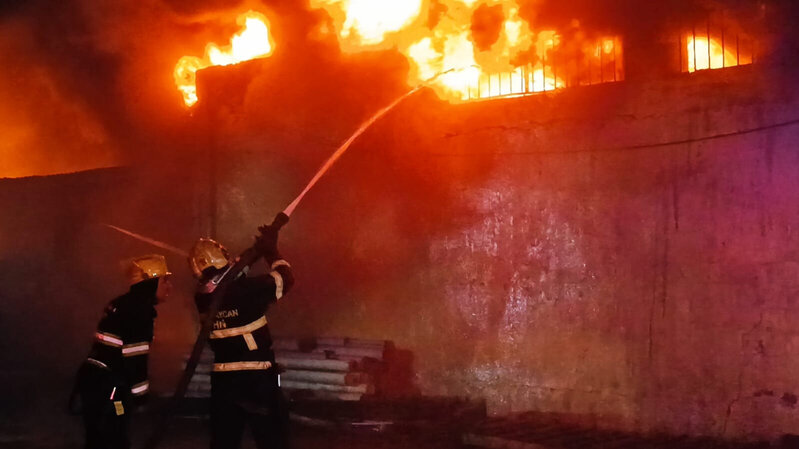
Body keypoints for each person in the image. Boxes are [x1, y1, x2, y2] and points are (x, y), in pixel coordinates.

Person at [189, 222, 294, 449]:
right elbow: (285, 278)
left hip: (224, 383)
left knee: (224, 442)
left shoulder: (203, 298)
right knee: (273, 440)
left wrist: (254, 252)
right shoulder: (248, 290)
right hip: (257, 380)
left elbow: (232, 276)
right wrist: (271, 251)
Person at [72, 254, 172, 449]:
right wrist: (141, 397)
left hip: (94, 380)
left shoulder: (122, 303)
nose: (169, 286)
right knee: (114, 439)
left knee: (97, 439)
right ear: (150, 282)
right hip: (109, 386)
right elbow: (135, 358)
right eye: (164, 280)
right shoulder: (139, 311)